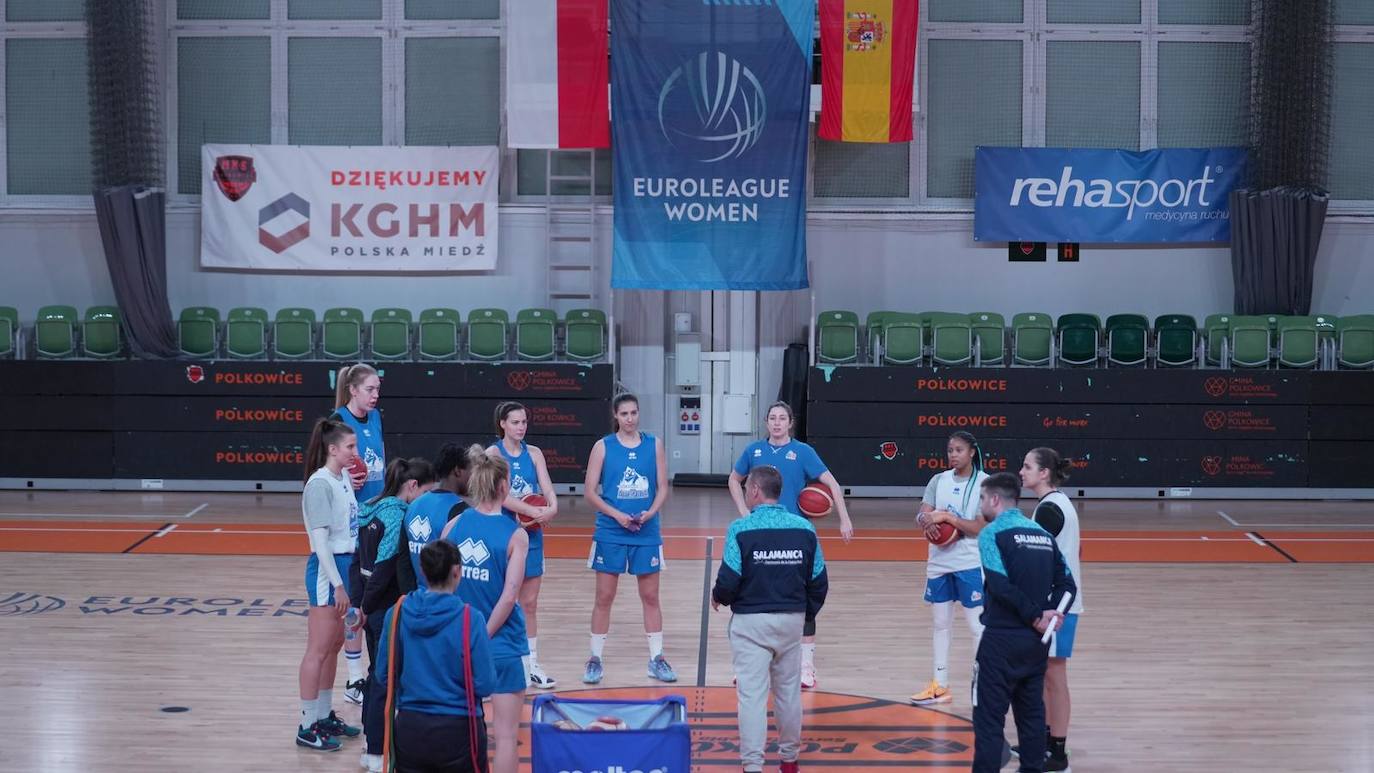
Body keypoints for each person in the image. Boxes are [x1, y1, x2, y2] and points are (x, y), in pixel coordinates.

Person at [726, 401, 852, 689]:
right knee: (749, 596)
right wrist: (744, 513)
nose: (777, 422)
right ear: (766, 422)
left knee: (803, 598)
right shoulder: (753, 450)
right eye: (772, 417)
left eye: (782, 418)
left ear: (790, 422)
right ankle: (744, 664)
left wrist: (844, 517)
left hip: (793, 535)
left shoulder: (803, 452)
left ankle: (807, 667)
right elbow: (734, 480)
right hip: (759, 533)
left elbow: (832, 483)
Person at [712, 466, 828, 773]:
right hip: (791, 621)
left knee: (752, 697)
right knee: (789, 693)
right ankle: (789, 761)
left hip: (751, 623)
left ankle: (753, 766)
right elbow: (819, 580)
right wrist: (805, 615)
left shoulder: (740, 529)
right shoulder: (805, 528)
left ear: (754, 491)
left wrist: (719, 597)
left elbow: (729, 579)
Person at [971, 473, 1076, 773]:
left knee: (989, 722)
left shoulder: (991, 535)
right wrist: (1050, 614)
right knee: (1031, 720)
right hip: (1035, 645)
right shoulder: (1042, 534)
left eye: (981, 499)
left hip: (1000, 641)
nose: (980, 505)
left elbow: (1000, 586)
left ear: (994, 499)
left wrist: (1035, 615)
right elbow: (1068, 585)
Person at [439, 449, 529, 773]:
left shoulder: (453, 526)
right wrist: (484, 634)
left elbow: (441, 586)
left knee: (460, 731)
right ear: (504, 486)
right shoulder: (515, 535)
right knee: (505, 737)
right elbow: (509, 597)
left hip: (458, 643)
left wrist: (467, 636)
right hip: (500, 645)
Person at [374, 540, 497, 773]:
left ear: (422, 570)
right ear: (457, 572)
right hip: (458, 730)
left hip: (410, 728)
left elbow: (383, 675)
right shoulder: (471, 619)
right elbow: (485, 684)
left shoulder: (397, 613)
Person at [582, 392, 675, 684]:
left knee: (650, 596)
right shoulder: (603, 447)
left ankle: (656, 659)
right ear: (615, 416)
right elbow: (589, 492)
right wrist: (617, 515)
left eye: (634, 413)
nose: (630, 419)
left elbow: (662, 487)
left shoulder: (654, 444)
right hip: (611, 531)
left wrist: (651, 512)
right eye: (624, 414)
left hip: (646, 530)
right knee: (604, 596)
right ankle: (595, 658)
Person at [352, 457, 437, 773]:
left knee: (376, 677)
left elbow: (356, 563)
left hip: (371, 610)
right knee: (385, 681)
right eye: (427, 492)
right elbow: (385, 568)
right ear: (412, 487)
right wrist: (368, 606)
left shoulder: (370, 508)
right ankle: (377, 752)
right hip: (385, 610)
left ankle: (369, 744)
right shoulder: (398, 516)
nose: (428, 500)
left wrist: (360, 605)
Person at [296, 417, 363, 751]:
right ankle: (306, 725)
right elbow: (320, 543)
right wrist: (338, 585)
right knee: (318, 649)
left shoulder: (345, 477)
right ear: (332, 449)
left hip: (347, 565)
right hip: (328, 570)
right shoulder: (319, 484)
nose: (356, 452)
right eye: (350, 447)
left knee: (336, 645)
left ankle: (323, 716)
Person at [911, 430, 990, 706]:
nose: (953, 455)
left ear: (971, 452)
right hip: (939, 563)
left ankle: (983, 686)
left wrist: (947, 518)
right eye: (950, 450)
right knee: (940, 625)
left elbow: (980, 527)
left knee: (978, 627)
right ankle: (940, 684)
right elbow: (922, 512)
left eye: (958, 450)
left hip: (970, 563)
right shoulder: (938, 480)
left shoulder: (984, 483)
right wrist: (927, 521)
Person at [487, 401, 559, 689]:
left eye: (524, 422)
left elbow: (548, 487)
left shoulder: (535, 453)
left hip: (532, 535)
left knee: (529, 603)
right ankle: (496, 662)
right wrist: (533, 511)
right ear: (503, 423)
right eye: (515, 422)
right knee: (502, 601)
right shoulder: (493, 453)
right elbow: (500, 496)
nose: (521, 427)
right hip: (503, 536)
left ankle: (531, 665)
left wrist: (552, 507)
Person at [1021, 447, 1082, 773]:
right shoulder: (1056, 505)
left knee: (1055, 676)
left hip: (1058, 607)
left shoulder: (1050, 510)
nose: (1021, 471)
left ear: (1044, 473)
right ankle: (1043, 741)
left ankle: (1058, 753)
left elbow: (1035, 558)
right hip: (1057, 602)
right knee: (1045, 674)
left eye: (1027, 466)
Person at [333, 362, 385, 704]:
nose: (376, 395)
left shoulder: (376, 418)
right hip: (353, 524)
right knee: (354, 603)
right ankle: (353, 680)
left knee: (375, 599)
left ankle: (376, 674)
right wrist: (343, 480)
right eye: (370, 389)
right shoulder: (337, 421)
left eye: (378, 389)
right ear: (352, 390)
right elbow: (320, 471)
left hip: (377, 517)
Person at [404, 443, 473, 590]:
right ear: (458, 471)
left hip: (418, 599)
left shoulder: (413, 505)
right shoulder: (460, 511)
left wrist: (409, 597)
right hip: (445, 601)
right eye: (470, 471)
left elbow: (403, 561)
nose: (472, 477)